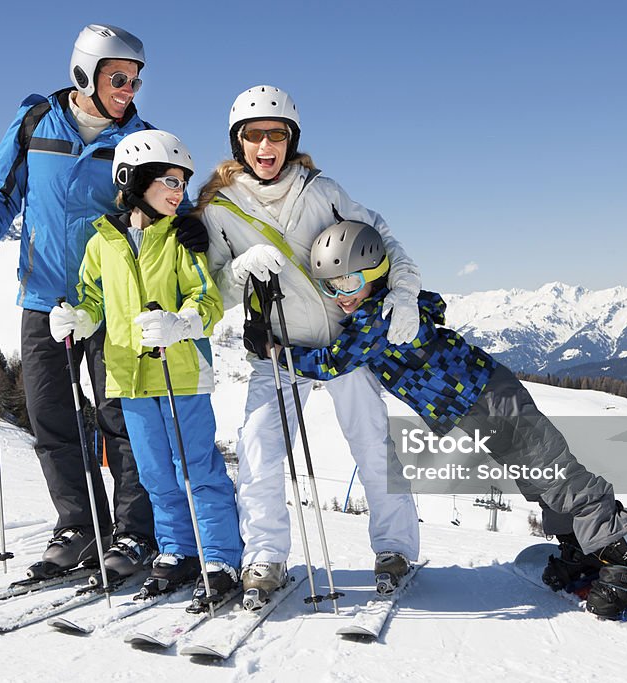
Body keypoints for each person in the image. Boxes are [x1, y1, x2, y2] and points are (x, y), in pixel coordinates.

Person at [273, 220, 627, 620]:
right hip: (474, 409)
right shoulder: (385, 308)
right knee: (534, 477)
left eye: (347, 283)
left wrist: (277, 351)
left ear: (377, 273)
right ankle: (586, 548)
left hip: (491, 397)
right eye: (329, 286)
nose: (340, 296)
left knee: (555, 472)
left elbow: (332, 362)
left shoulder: (378, 318)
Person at [0, 24, 209, 579]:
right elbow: (0, 189)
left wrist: (189, 226)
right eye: (118, 77)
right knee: (50, 416)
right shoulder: (34, 122)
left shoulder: (139, 139)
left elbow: (173, 200)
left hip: (117, 300)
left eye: (136, 80)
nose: (129, 89)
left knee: (123, 418)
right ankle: (78, 525)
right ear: (84, 73)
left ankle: (134, 533)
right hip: (45, 295)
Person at [196, 85, 424, 602]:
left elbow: (384, 240)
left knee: (371, 446)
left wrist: (404, 294)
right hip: (278, 350)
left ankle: (395, 548)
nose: (265, 145)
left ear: (291, 139)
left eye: (276, 134)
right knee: (258, 450)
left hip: (344, 346)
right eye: (253, 135)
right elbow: (208, 286)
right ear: (239, 144)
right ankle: (264, 558)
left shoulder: (322, 189)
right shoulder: (220, 208)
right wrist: (238, 270)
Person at [49, 129, 242, 605]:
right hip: (128, 378)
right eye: (169, 182)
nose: (179, 193)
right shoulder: (102, 243)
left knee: (196, 467)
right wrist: (78, 316)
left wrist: (182, 322)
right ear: (134, 181)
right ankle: (177, 551)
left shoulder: (181, 239)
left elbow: (208, 298)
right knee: (154, 472)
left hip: (181, 375)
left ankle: (220, 556)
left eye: (183, 183)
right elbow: (94, 298)